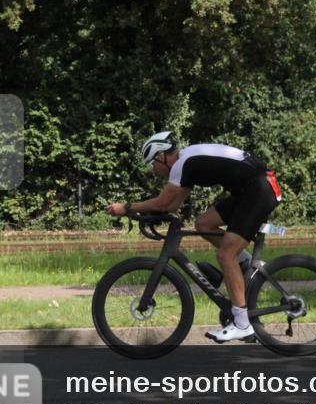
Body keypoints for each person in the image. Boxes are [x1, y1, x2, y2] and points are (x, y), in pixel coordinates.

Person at [106, 131, 282, 342]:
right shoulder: (186, 164)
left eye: (152, 164)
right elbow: (172, 205)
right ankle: (245, 264)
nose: (153, 171)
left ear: (161, 156)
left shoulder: (183, 164)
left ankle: (242, 324)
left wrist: (126, 207)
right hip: (249, 190)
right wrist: (143, 214)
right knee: (203, 224)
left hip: (258, 190)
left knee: (226, 255)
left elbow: (163, 203)